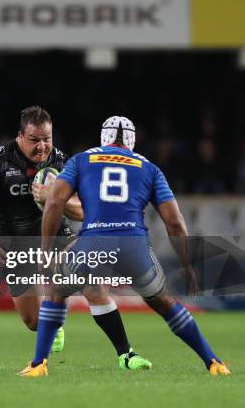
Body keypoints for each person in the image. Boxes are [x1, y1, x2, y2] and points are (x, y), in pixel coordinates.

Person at [19, 116, 231, 377]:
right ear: (131, 140)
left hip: (93, 244)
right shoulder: (150, 168)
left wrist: (44, 250)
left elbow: (53, 203)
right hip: (135, 247)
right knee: (165, 304)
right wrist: (186, 265)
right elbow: (175, 222)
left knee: (56, 289)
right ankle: (213, 362)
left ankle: (39, 364)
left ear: (104, 137)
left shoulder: (82, 160)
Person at [0, 106, 150, 368]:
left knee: (93, 284)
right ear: (20, 136)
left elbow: (86, 211)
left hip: (58, 237)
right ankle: (53, 326)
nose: (42, 147)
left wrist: (54, 199)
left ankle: (126, 354)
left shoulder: (64, 163)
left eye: (47, 139)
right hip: (15, 244)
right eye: (34, 140)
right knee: (32, 321)